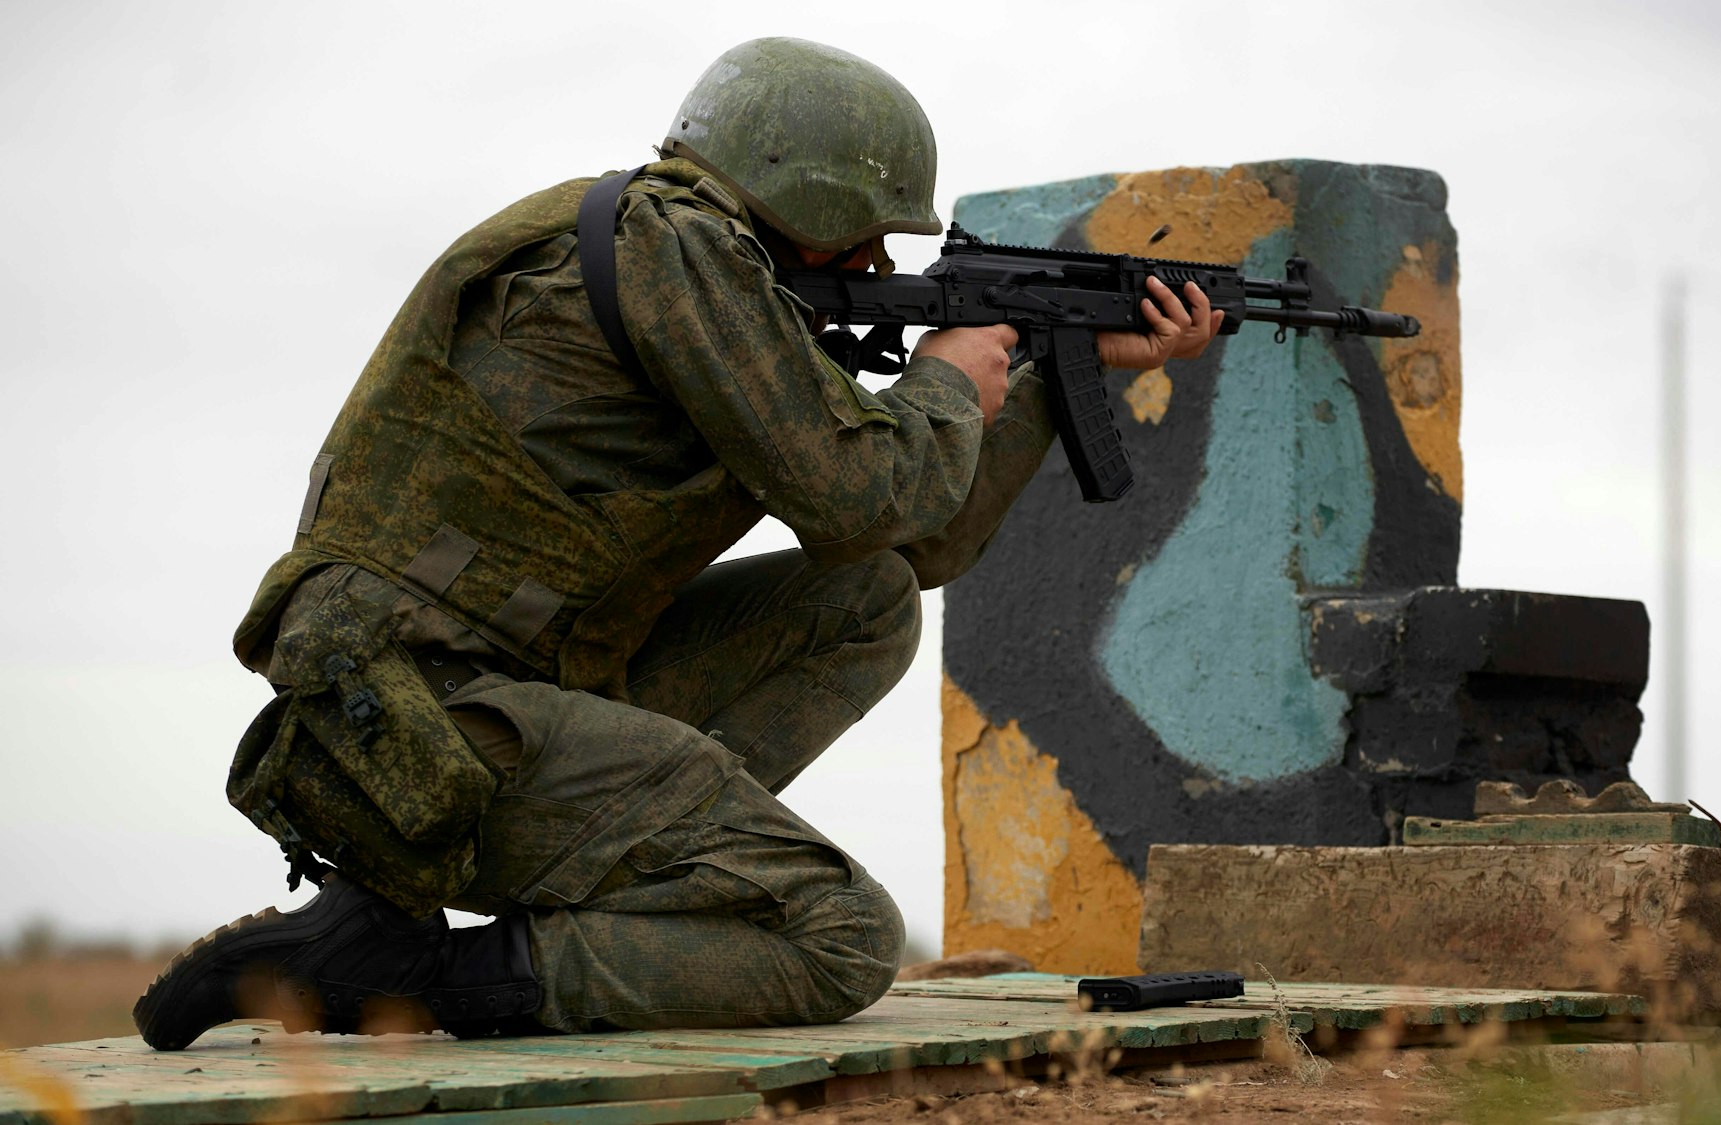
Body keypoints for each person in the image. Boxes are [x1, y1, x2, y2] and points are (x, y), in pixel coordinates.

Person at [133, 37, 1221, 1051]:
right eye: (867, 228)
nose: (879, 257)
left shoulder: (679, 263)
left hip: (476, 698)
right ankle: (409, 974)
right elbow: (862, 496)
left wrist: (1049, 373)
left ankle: (518, 902)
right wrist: (940, 377)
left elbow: (913, 538)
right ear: (810, 195)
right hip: (427, 730)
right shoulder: (679, 255)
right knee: (840, 939)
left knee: (870, 599)